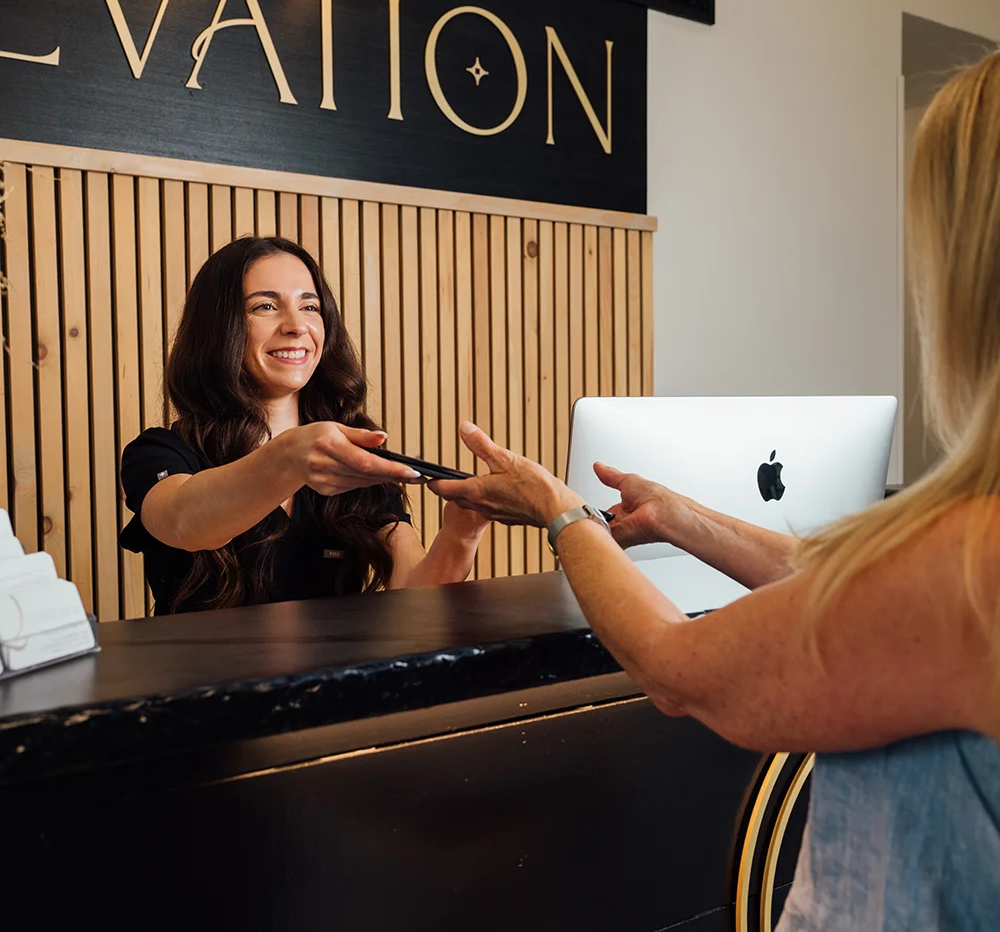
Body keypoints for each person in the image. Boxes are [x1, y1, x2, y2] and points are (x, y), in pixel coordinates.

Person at [429, 52, 1000, 930]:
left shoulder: (971, 565)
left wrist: (560, 510)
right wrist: (686, 521)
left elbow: (676, 670)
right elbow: (860, 596)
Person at [119, 236, 486, 615]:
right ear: (219, 328)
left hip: (333, 674)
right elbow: (185, 522)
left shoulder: (353, 457)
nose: (296, 325)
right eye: (265, 306)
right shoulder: (160, 452)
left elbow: (412, 592)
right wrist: (290, 457)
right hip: (201, 675)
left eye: (310, 306)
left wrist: (464, 529)